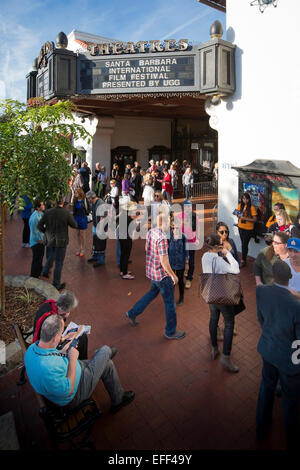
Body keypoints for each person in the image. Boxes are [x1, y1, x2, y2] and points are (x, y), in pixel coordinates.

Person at [25, 315, 135, 412]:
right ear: (54, 338)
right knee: (105, 350)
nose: (62, 335)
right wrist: (72, 360)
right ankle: (103, 356)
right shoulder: (47, 368)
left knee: (108, 364)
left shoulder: (32, 348)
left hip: (70, 372)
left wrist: (62, 351)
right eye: (61, 333)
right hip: (74, 395)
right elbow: (68, 390)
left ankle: (118, 399)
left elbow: (50, 356)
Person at [256, 260, 300, 449]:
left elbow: (261, 319)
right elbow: (299, 340)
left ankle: (261, 427)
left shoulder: (261, 291)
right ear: (290, 278)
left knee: (266, 388)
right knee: (290, 401)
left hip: (267, 349)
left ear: (273, 274)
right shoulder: (295, 305)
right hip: (288, 360)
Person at [126, 212, 186, 340]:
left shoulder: (151, 232)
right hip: (162, 276)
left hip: (152, 273)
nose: (170, 225)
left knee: (151, 294)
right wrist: (173, 276)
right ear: (163, 223)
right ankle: (170, 331)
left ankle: (132, 313)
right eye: (169, 223)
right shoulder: (162, 239)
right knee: (170, 304)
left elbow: (146, 249)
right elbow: (164, 261)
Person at [201, 233, 240, 372]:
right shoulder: (218, 260)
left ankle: (214, 348)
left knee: (213, 319)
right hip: (222, 295)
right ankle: (226, 357)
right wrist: (227, 254)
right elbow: (236, 269)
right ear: (218, 246)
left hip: (211, 294)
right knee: (229, 323)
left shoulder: (205, 256)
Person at [32, 290, 88, 360]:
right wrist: (66, 337)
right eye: (69, 310)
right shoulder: (53, 321)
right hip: (44, 344)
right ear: (63, 309)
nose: (69, 312)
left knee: (82, 336)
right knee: (81, 339)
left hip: (47, 335)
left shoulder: (50, 304)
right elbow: (51, 341)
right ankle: (80, 362)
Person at [38, 197, 77, 290]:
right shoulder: (66, 213)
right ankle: (56, 283)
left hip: (50, 239)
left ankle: (45, 271)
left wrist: (46, 232)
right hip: (61, 241)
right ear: (63, 202)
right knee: (59, 262)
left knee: (51, 256)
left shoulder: (48, 212)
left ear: (55, 202)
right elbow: (74, 225)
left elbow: (39, 225)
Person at [168, 220, 188, 306]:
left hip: (180, 263)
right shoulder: (168, 237)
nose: (175, 229)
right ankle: (171, 299)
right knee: (171, 282)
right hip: (171, 263)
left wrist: (187, 263)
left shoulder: (183, 237)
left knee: (180, 281)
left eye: (177, 227)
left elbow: (186, 251)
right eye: (173, 227)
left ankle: (181, 297)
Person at [235, 192, 257, 267]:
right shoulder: (240, 205)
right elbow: (237, 213)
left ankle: (243, 260)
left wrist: (245, 218)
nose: (244, 200)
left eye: (246, 199)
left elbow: (254, 219)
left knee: (244, 244)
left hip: (248, 228)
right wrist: (238, 215)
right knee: (243, 244)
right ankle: (243, 259)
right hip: (241, 227)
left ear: (248, 199)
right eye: (243, 198)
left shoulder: (252, 207)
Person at [86, 190, 107, 268]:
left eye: (88, 199)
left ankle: (101, 260)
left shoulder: (100, 204)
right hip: (95, 225)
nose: (88, 200)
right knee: (95, 243)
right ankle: (95, 257)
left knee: (100, 244)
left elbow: (103, 218)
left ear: (91, 198)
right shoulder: (94, 203)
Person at [29, 198, 45, 278]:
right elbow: (34, 230)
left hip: (41, 241)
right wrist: (39, 240)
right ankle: (34, 276)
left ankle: (39, 272)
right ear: (38, 207)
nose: (44, 206)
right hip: (37, 242)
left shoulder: (41, 214)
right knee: (36, 259)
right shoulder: (35, 218)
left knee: (40, 258)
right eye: (42, 205)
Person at [73, 188, 89, 257]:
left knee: (82, 235)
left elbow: (88, 209)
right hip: (77, 218)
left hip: (83, 218)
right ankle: (79, 248)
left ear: (80, 193)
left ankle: (83, 249)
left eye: (76, 193)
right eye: (75, 193)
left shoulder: (84, 200)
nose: (75, 194)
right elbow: (74, 210)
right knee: (78, 234)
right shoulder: (75, 201)